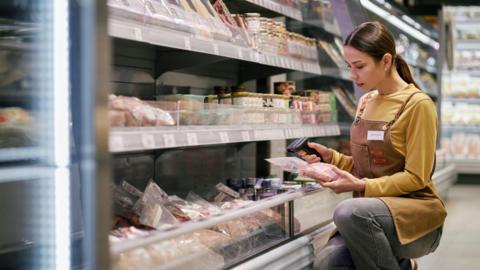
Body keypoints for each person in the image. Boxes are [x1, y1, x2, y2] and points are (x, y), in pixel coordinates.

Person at [298, 21, 446, 270]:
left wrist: (361, 185)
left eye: (360, 66)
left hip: (415, 218)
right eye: (349, 67)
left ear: (386, 61)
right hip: (369, 219)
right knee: (327, 263)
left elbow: (417, 178)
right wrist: (331, 159)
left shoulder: (418, 105)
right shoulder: (366, 101)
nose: (353, 76)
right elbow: (364, 167)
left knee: (347, 212)